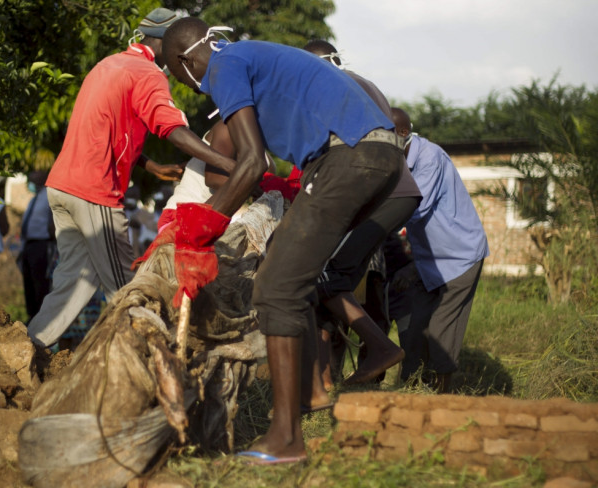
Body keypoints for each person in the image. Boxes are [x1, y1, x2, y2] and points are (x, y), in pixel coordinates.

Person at [162, 18, 405, 464]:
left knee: (273, 287)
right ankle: (307, 402)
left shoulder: (223, 65)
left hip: (350, 155)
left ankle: (286, 439)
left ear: (183, 60)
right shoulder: (249, 59)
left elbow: (251, 163)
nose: (185, 85)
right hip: (377, 155)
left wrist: (205, 225)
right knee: (289, 273)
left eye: (175, 74)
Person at [26, 8, 237, 347]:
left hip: (62, 187)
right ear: (168, 45)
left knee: (72, 284)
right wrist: (227, 164)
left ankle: (27, 346)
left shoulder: (108, 65)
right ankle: (148, 362)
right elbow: (173, 130)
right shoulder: (148, 74)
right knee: (130, 287)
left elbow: (105, 130)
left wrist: (149, 165)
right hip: (93, 194)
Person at [301, 40, 422, 391]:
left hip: (382, 194)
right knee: (328, 288)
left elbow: (321, 156)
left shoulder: (330, 89)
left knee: (326, 277)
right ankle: (323, 386)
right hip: (391, 193)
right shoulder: (360, 83)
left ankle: (381, 349)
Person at [390, 107, 490, 393]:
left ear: (403, 134)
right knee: (415, 329)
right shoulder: (399, 162)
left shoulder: (429, 157)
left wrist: (374, 225)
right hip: (430, 261)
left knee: (440, 329)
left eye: (385, 135)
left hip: (460, 257)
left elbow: (414, 208)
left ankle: (443, 393)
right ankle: (411, 390)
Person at [20, 170, 56, 322]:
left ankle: (41, 319)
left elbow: (52, 221)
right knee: (28, 283)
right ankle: (31, 316)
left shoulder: (49, 195)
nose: (31, 178)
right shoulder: (34, 198)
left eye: (35, 174)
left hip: (42, 245)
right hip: (29, 245)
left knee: (40, 282)